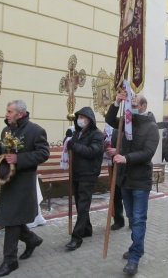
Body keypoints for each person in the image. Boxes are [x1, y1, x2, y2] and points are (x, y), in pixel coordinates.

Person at [0, 100, 49, 278]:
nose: (6, 114)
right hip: (8, 180)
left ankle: (10, 261)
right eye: (7, 111)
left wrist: (19, 159)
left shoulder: (35, 130)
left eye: (10, 112)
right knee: (12, 217)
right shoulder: (6, 130)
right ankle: (32, 240)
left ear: (21, 113)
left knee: (11, 220)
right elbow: (2, 152)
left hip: (24, 182)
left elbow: (43, 153)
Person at [105, 92, 159, 276]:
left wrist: (125, 158)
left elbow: (148, 153)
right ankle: (138, 246)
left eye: (133, 104)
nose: (131, 107)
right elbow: (110, 119)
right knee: (131, 217)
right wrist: (117, 102)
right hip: (125, 179)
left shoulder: (151, 127)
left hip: (140, 180)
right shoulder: (127, 121)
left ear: (144, 106)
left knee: (138, 219)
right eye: (129, 104)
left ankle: (134, 257)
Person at [65, 106, 104, 250]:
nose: (79, 120)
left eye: (82, 117)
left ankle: (77, 237)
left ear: (90, 119)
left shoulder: (97, 134)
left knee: (83, 205)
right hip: (76, 172)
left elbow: (93, 151)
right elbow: (70, 145)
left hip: (88, 174)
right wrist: (68, 137)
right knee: (79, 203)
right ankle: (87, 229)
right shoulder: (77, 133)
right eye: (78, 117)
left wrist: (74, 145)